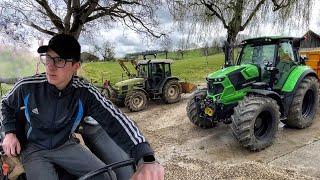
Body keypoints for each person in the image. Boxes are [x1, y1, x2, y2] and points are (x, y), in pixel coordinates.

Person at [0, 34, 164, 180]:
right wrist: (9, 133)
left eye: (60, 60)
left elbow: (115, 118)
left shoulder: (85, 92)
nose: (50, 66)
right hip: (34, 149)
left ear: (76, 66)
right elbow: (5, 103)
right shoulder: (28, 86)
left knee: (106, 176)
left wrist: (146, 157)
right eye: (48, 58)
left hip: (65, 144)